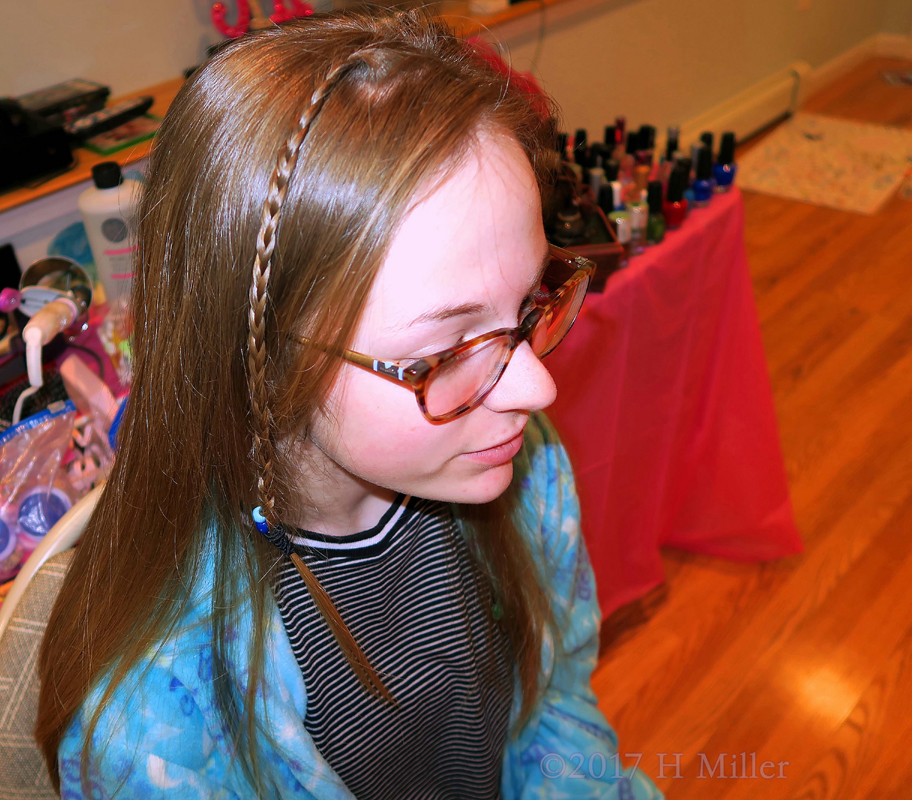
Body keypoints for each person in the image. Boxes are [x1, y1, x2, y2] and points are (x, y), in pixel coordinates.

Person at [36, 9, 663, 799]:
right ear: (260, 359)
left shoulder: (518, 469)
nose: (537, 387)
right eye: (443, 353)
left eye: (531, 303)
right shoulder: (153, 718)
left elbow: (557, 699)